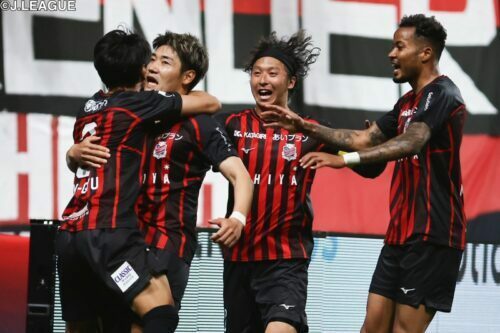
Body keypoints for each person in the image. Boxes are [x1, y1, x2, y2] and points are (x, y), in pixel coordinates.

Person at [262, 14, 466, 333]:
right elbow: (363, 138)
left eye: (400, 46)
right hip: (400, 234)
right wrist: (304, 126)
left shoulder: (443, 94)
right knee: (371, 328)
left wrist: (346, 161)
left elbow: (413, 142)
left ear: (425, 53)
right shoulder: (407, 102)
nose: (391, 54)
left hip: (434, 235)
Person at [66, 31, 254, 331]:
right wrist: (72, 153)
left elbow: (239, 174)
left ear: (187, 76)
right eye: (151, 59)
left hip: (166, 242)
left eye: (165, 62)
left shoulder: (199, 123)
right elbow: (87, 155)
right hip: (122, 238)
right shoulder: (132, 111)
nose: (152, 67)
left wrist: (239, 217)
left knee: (149, 321)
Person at [216, 30, 382, 333]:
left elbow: (371, 170)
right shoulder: (230, 125)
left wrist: (362, 153)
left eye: (272, 73)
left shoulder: (313, 131)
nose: (262, 80)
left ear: (290, 82)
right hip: (238, 260)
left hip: (285, 260)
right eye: (256, 73)